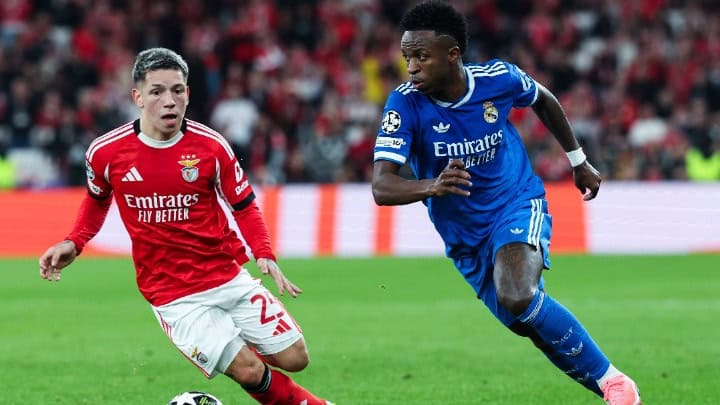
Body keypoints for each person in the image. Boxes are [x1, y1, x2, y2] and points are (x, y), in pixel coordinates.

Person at [371, 2, 641, 404]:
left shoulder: (498, 80)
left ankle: (615, 384)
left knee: (517, 294)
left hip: (514, 203)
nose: (411, 68)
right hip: (465, 239)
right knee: (529, 323)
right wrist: (432, 185)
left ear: (452, 54)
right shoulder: (404, 104)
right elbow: (382, 186)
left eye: (422, 56)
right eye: (407, 57)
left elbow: (543, 99)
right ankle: (616, 389)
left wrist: (578, 160)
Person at [39, 47, 332, 405]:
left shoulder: (211, 146)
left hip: (226, 276)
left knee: (296, 357)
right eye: (157, 91)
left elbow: (243, 206)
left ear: (188, 94)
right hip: (173, 294)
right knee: (250, 371)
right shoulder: (106, 152)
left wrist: (264, 253)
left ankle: (237, 345)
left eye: (177, 90)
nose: (169, 101)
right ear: (137, 97)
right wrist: (75, 241)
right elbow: (97, 199)